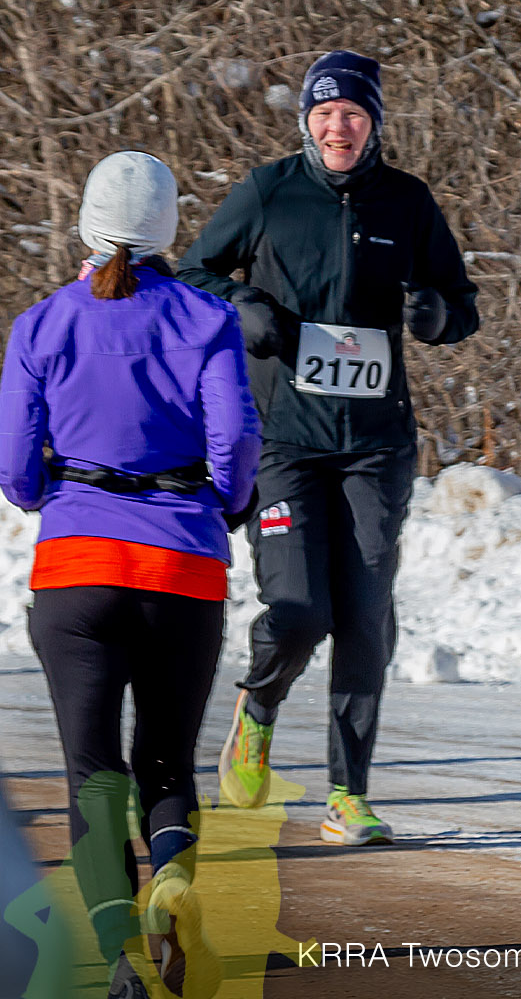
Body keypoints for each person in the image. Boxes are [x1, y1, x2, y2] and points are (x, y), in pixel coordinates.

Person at [179, 50, 479, 845]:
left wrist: (434, 316)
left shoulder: (407, 201)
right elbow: (192, 275)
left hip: (377, 445)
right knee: (300, 611)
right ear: (306, 122)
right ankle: (260, 703)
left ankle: (349, 795)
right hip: (286, 439)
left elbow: (461, 304)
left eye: (353, 113)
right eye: (324, 113)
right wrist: (242, 305)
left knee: (366, 616)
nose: (338, 127)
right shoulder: (268, 191)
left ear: (373, 122)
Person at [0, 151, 259, 998]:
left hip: (76, 566)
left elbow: (15, 468)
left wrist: (46, 489)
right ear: (169, 226)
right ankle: (173, 879)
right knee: (167, 761)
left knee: (94, 774)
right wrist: (223, 502)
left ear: (86, 221)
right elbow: (235, 440)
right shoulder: (207, 318)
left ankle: (120, 956)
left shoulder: (42, 324)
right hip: (182, 563)